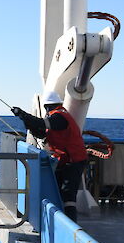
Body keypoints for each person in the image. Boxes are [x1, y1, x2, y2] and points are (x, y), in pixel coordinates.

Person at [11, 91, 88, 222]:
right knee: (57, 190)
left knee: (68, 194)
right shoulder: (58, 117)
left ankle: (71, 225)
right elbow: (41, 132)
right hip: (67, 159)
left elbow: (41, 124)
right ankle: (61, 221)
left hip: (73, 160)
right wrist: (26, 120)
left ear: (47, 106)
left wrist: (22, 114)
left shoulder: (59, 117)